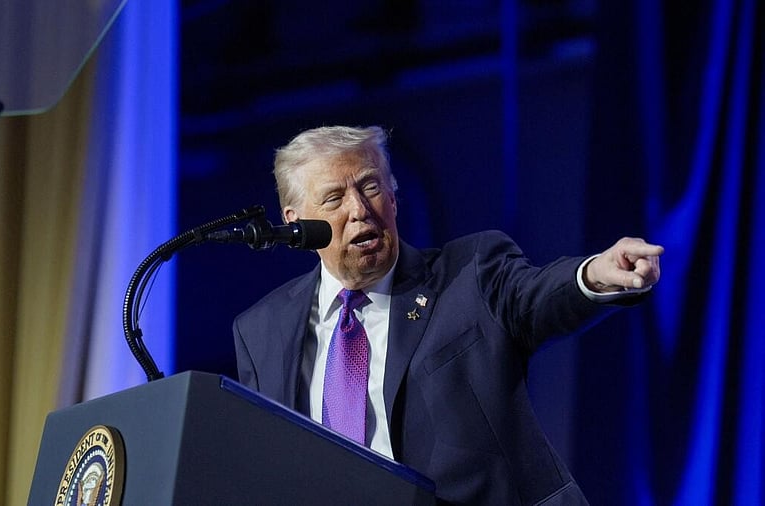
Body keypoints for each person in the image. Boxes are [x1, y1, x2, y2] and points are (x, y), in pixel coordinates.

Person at [232, 126, 663, 505]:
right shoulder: (262, 331)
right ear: (295, 223)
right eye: (333, 198)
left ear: (394, 199)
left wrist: (594, 277)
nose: (360, 209)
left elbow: (535, 297)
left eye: (371, 187)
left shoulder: (469, 274)